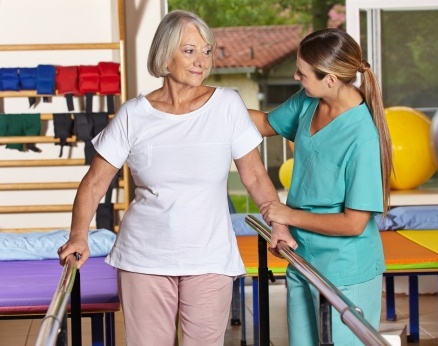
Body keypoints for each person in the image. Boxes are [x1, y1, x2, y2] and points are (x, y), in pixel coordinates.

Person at [58, 10, 297, 346]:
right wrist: (78, 235)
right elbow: (96, 181)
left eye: (207, 51)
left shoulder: (227, 105)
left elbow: (255, 175)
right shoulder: (134, 115)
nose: (201, 61)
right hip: (144, 257)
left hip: (210, 256)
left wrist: (280, 225)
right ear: (164, 55)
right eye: (189, 51)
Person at [249, 28, 393, 345]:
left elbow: (354, 223)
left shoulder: (362, 136)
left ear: (329, 79)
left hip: (345, 269)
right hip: (302, 258)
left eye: (302, 73)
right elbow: (263, 123)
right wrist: (210, 104)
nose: (296, 76)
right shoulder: (309, 101)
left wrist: (287, 215)